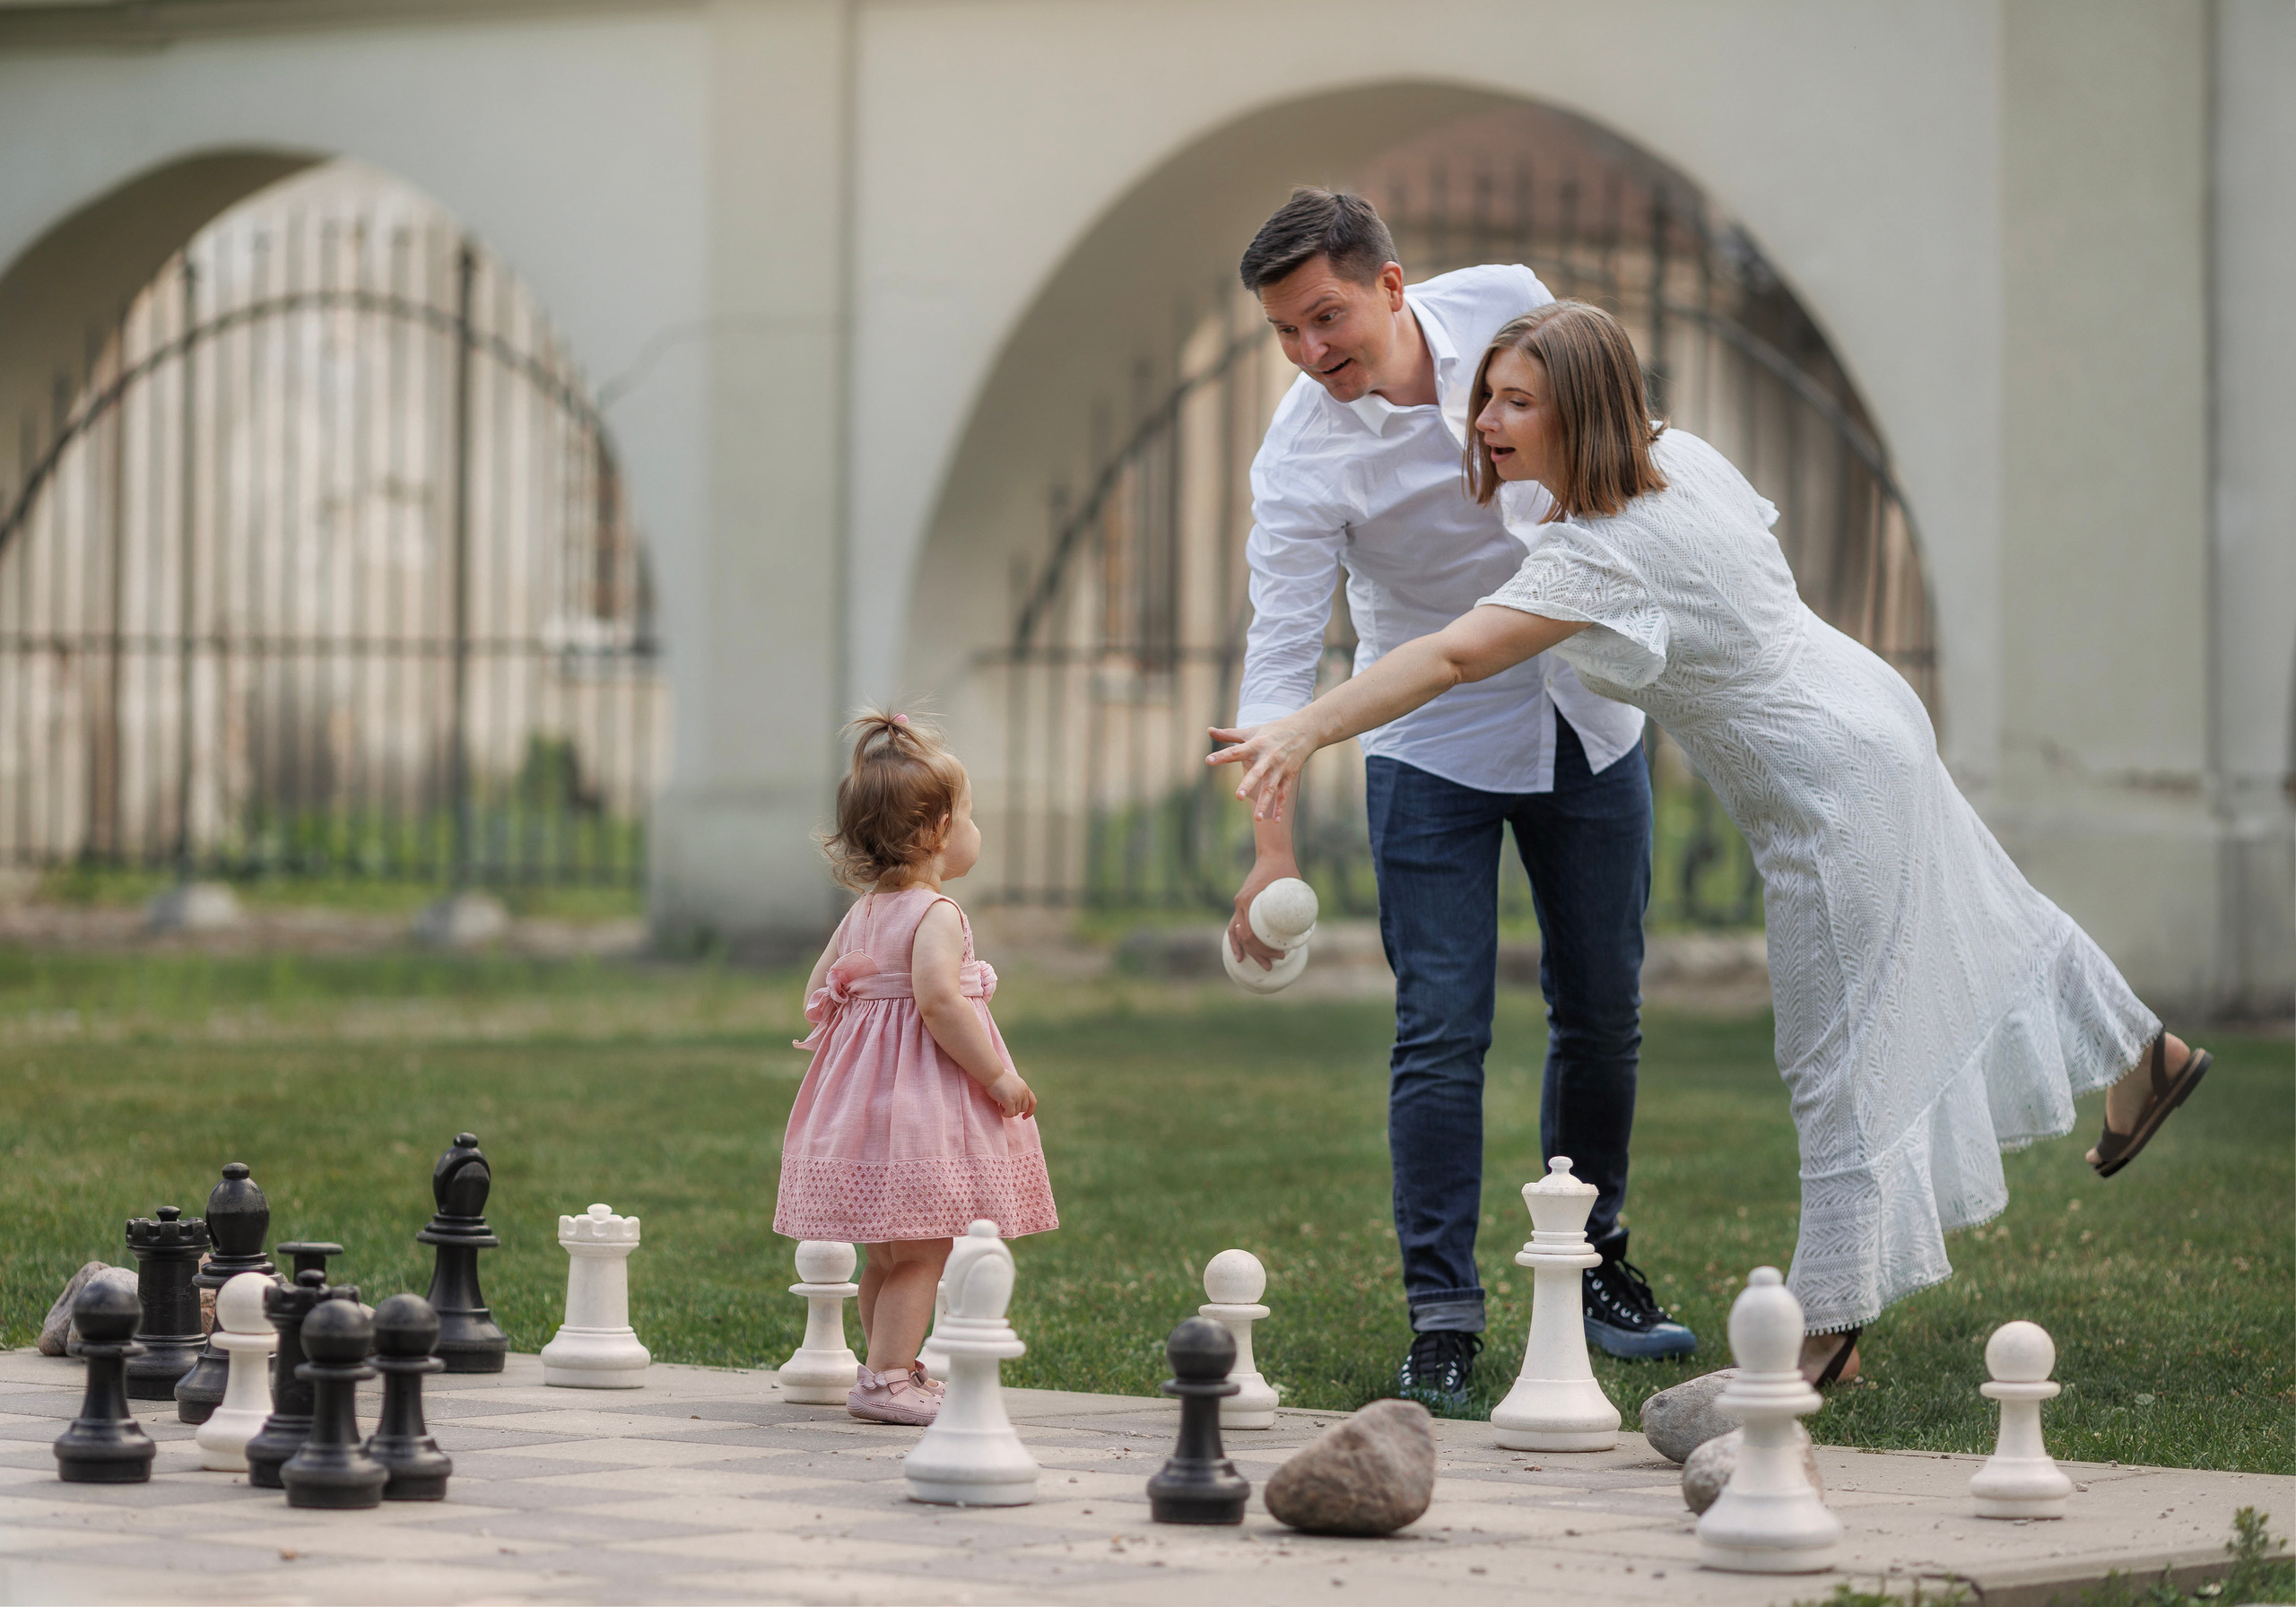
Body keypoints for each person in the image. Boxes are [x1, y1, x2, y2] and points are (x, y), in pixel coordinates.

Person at [1210, 300, 2210, 1384]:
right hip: (1873, 714)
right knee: (1991, 910)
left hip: (1824, 787)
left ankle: (1826, 1331)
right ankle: (2141, 1055)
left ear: (1580, 411)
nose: (1484, 420)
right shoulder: (1682, 459)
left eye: (1516, 402)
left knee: (1830, 1053)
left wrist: (1302, 728)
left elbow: (1450, 656)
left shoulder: (1597, 556)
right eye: (1487, 394)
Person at [1228, 187, 1694, 1407]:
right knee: (1439, 1030)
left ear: (1391, 285)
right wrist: (1271, 854)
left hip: (1588, 712)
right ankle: (1442, 1316)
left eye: (1325, 316)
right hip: (1428, 736)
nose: (1308, 350)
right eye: (1284, 332)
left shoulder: (1506, 300)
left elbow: (1608, 426)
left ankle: (1594, 1264)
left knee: (1602, 1010)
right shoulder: (1302, 456)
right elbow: (1281, 656)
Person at [775, 710, 1058, 1423]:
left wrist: (865, 1016)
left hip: (864, 1108)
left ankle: (883, 1367)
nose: (975, 828)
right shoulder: (939, 913)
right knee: (924, 1256)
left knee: (885, 1258)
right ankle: (887, 1380)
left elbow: (817, 991)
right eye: (970, 815)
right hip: (920, 1111)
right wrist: (995, 1075)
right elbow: (937, 1001)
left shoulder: (864, 912)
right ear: (939, 830)